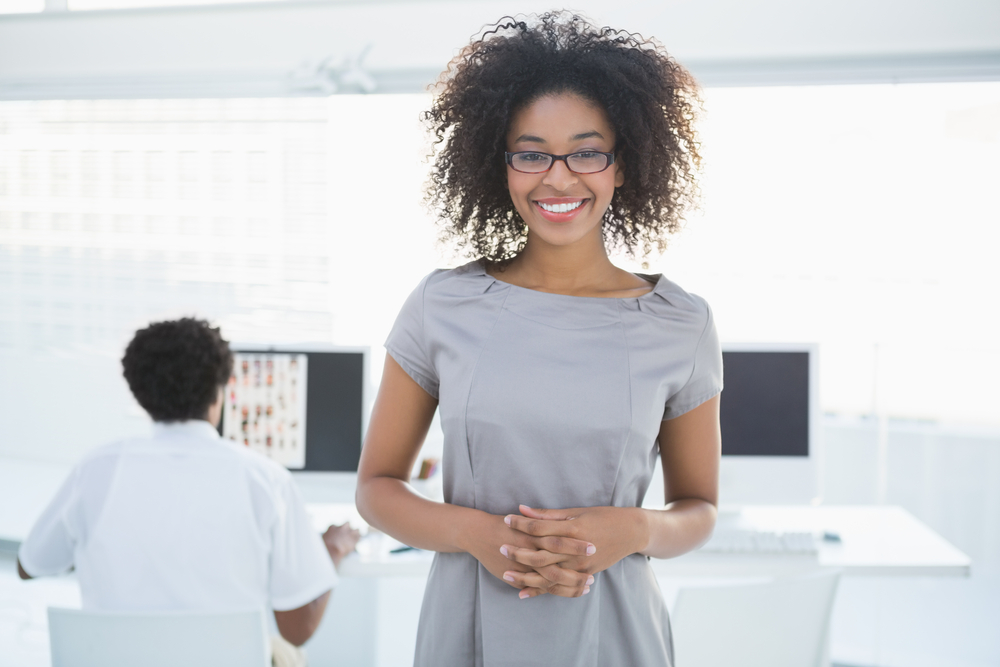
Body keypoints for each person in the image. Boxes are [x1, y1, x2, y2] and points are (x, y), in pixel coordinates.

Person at [355, 12, 722, 667]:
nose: (558, 177)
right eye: (532, 153)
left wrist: (634, 528)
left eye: (587, 150)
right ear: (501, 166)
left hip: (617, 636)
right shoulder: (442, 306)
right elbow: (376, 487)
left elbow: (699, 508)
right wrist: (478, 534)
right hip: (467, 633)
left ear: (623, 165)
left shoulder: (680, 322)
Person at [18, 318, 360, 659]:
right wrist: (331, 551)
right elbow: (297, 630)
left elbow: (28, 564)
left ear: (140, 394)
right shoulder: (266, 480)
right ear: (220, 390)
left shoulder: (94, 471)